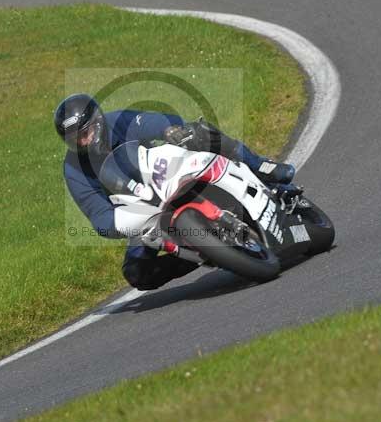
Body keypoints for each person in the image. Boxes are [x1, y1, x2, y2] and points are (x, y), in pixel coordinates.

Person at [55, 93, 297, 290]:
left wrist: (170, 130)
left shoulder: (119, 121)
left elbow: (155, 122)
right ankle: (206, 254)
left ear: (98, 122)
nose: (82, 143)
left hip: (165, 174)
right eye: (74, 139)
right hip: (143, 210)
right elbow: (98, 215)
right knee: (137, 273)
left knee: (200, 132)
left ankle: (262, 167)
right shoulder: (73, 169)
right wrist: (120, 224)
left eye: (85, 134)